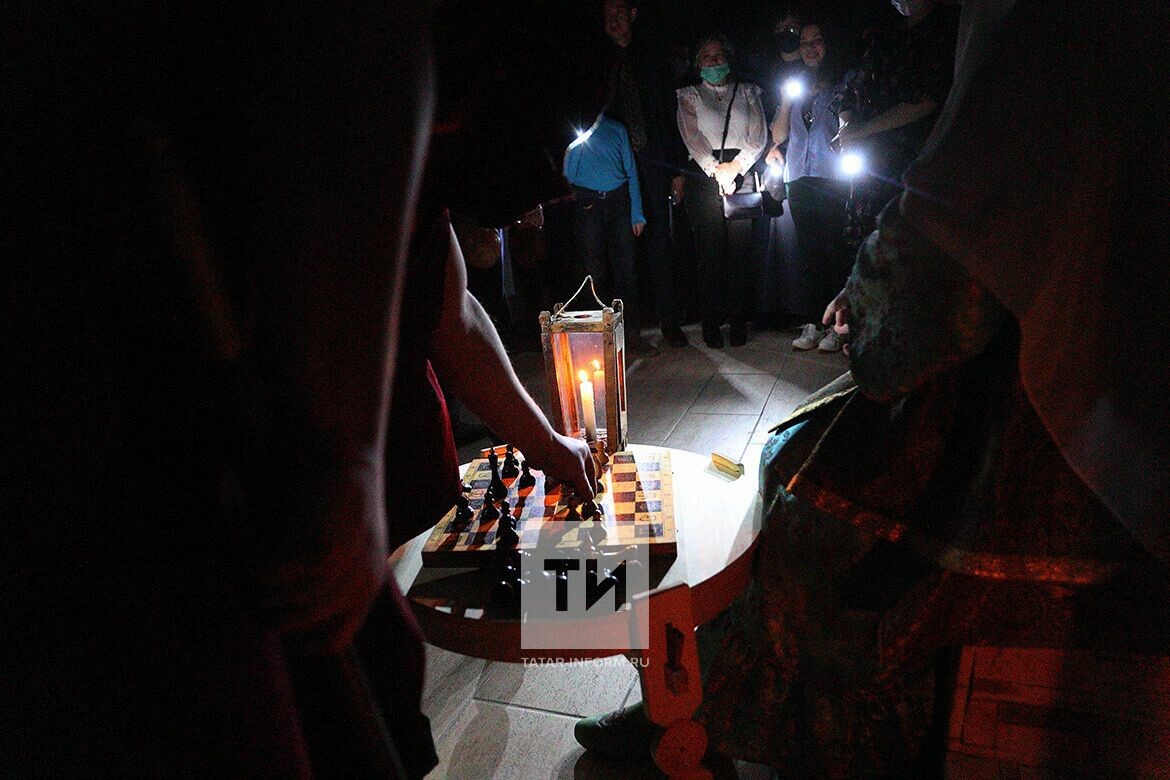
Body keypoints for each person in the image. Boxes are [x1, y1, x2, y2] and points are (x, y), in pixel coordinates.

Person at [576, 0, 1170, 773]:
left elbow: (921, 310)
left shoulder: (1038, 25)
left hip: (1060, 413)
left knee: (793, 470)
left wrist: (871, 296)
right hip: (1108, 382)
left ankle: (704, 705)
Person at [3, 4, 437, 776]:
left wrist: (349, 453)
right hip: (113, 413)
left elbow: (359, 48)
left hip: (149, 424)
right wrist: (348, 453)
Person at [832, 0, 959, 247]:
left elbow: (928, 98)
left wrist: (860, 131)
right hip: (869, 174)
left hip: (912, 166)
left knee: (903, 248)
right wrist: (846, 128)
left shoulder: (944, 30)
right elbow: (849, 92)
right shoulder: (884, 36)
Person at [602, 0, 691, 348]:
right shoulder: (599, 62)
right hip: (614, 165)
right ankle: (630, 330)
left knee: (660, 242)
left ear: (633, 14)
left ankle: (670, 321)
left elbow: (669, 114)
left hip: (653, 160)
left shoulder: (653, 57)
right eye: (608, 16)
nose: (614, 21)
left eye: (619, 13)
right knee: (621, 247)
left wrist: (677, 169)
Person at [765, 22, 853, 353]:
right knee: (809, 254)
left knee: (834, 251)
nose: (810, 47)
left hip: (832, 176)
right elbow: (778, 135)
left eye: (817, 40)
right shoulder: (795, 86)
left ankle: (838, 327)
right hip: (798, 177)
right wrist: (787, 100)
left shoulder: (843, 82)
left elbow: (849, 125)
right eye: (804, 42)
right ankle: (813, 323)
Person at [676, 34, 767, 348]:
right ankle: (711, 322)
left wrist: (736, 167)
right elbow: (692, 137)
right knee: (709, 253)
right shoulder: (689, 95)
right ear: (698, 62)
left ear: (728, 57)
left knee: (740, 252)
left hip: (741, 172)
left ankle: (739, 320)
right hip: (704, 176)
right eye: (707, 55)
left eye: (719, 54)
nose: (713, 60)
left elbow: (758, 136)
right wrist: (717, 169)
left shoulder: (748, 91)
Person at [562, 111, 657, 358]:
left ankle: (632, 335)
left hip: (619, 204)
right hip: (589, 204)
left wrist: (637, 213)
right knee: (593, 274)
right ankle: (597, 341)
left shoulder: (616, 128)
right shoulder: (577, 130)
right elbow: (568, 174)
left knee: (627, 272)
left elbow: (631, 171)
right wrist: (579, 141)